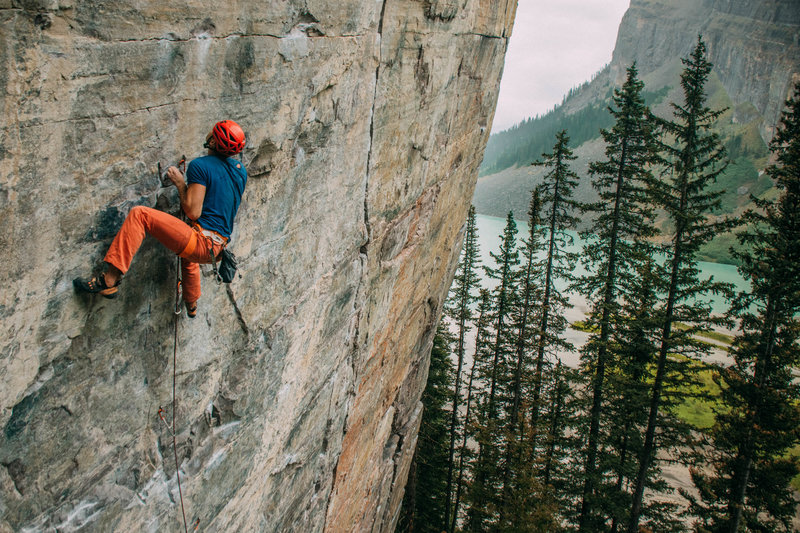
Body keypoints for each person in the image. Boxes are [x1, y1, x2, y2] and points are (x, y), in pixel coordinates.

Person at [74, 120, 248, 318]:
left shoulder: (201, 166)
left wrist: (181, 184)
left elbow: (193, 211)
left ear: (214, 142)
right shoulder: (240, 170)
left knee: (140, 215)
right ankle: (191, 303)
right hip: (218, 249)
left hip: (201, 243)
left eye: (213, 132)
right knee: (188, 245)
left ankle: (109, 280)